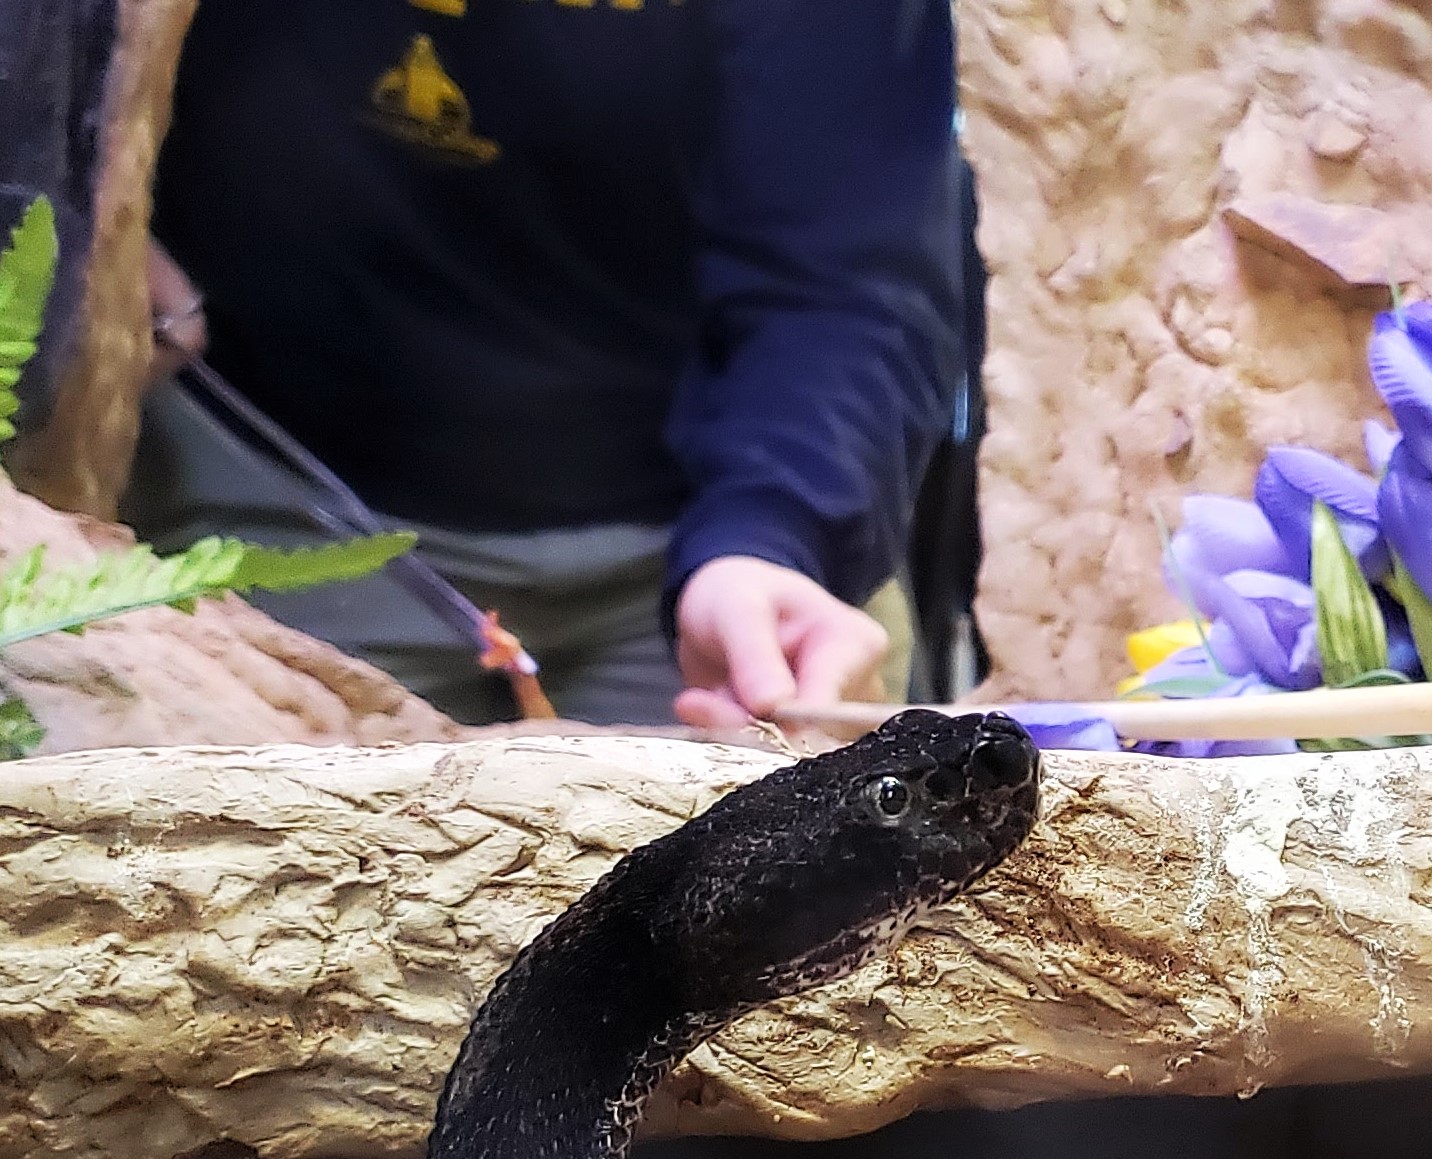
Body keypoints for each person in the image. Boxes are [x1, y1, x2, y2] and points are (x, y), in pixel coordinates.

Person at [124, 0, 972, 729]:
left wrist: (776, 540)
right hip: (263, 491)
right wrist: (93, 230)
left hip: (697, 551)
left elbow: (848, 277)